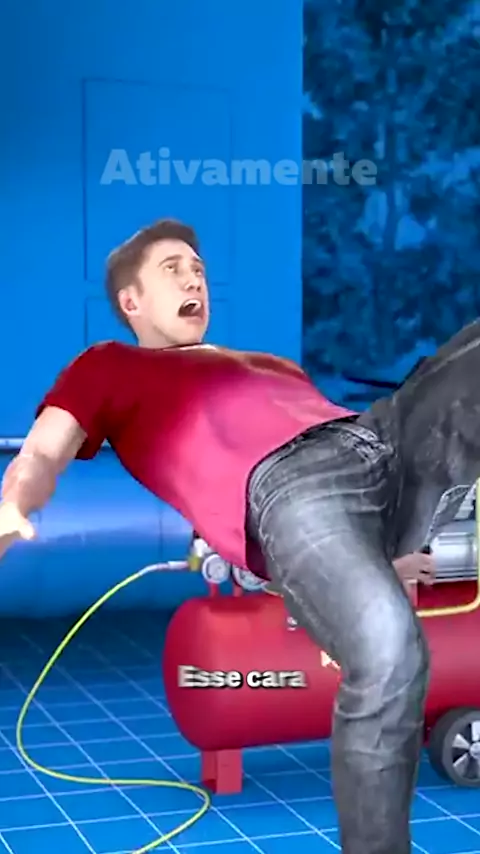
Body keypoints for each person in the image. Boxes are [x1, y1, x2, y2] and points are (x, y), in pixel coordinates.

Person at [3, 218, 475, 854]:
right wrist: (12, 505)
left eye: (198, 269)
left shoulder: (271, 365)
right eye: (173, 269)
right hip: (292, 485)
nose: (193, 279)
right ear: (131, 302)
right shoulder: (109, 365)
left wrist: (386, 560)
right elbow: (41, 452)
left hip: (381, 437)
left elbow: (340, 531)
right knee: (392, 653)